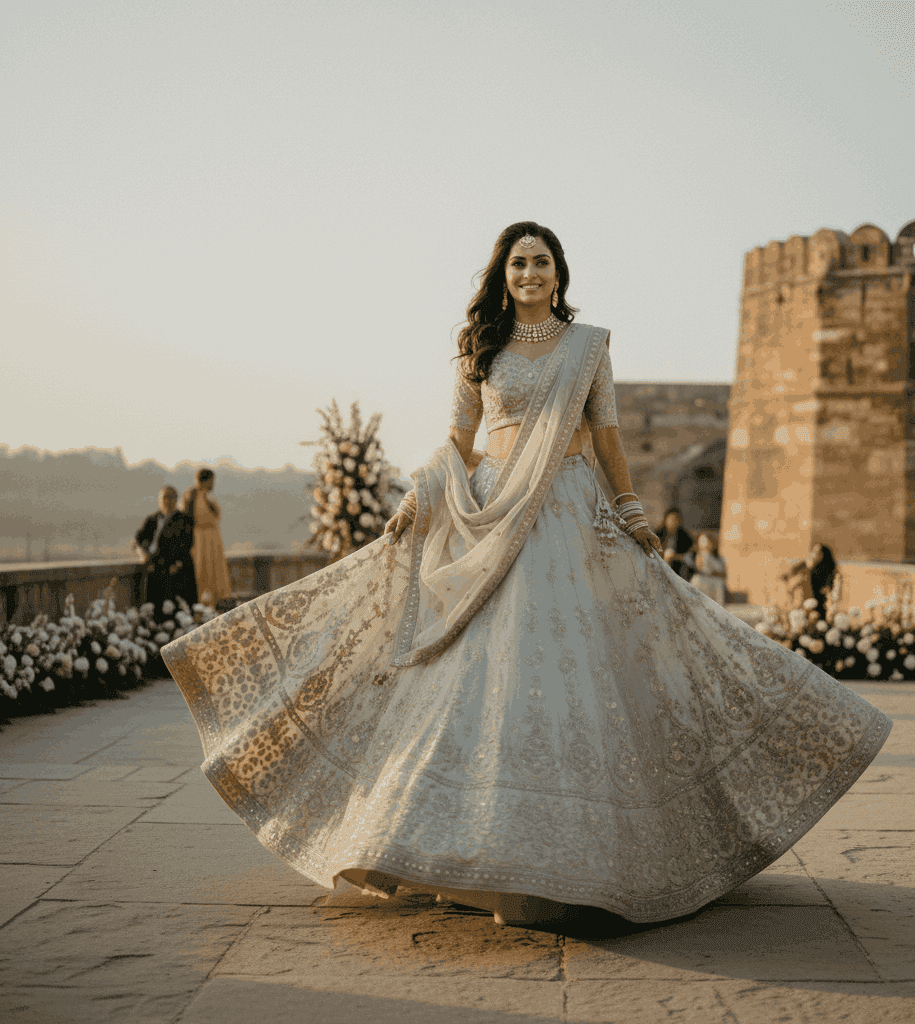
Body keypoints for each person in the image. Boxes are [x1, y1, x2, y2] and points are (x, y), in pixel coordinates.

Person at [161, 221, 891, 930]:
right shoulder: (478, 348)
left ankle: (583, 860)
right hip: (490, 517)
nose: (530, 272)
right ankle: (463, 850)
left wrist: (631, 511)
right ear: (502, 275)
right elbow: (459, 441)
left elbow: (606, 439)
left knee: (586, 667)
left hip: (569, 511)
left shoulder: (588, 347)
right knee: (477, 675)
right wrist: (417, 499)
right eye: (518, 262)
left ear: (558, 274)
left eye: (542, 261)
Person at [134, 486, 197, 619]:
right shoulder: (152, 519)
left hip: (174, 568)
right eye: (164, 497)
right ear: (159, 499)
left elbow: (187, 545)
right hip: (153, 566)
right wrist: (142, 553)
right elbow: (138, 539)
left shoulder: (184, 519)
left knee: (174, 610)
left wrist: (176, 564)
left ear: (176, 499)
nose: (167, 501)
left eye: (171, 497)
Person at [181, 468, 232, 607]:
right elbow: (186, 519)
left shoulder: (208, 496)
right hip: (198, 540)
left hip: (213, 540)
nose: (213, 484)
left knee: (216, 572)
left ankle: (217, 602)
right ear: (206, 480)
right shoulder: (190, 495)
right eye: (211, 481)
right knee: (201, 571)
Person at [654, 507, 694, 579]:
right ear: (665, 520)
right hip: (659, 565)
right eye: (670, 519)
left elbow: (688, 556)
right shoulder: (658, 534)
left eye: (675, 520)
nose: (673, 522)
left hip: (677, 568)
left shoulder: (684, 536)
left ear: (679, 521)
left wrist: (675, 557)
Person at [689, 531, 728, 605]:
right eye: (702, 541)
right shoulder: (698, 556)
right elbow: (700, 568)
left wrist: (714, 573)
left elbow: (724, 574)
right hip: (703, 583)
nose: (705, 544)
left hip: (716, 585)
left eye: (707, 541)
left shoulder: (719, 558)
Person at [808, 542, 837, 620]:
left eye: (816, 552)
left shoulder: (825, 571)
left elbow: (827, 589)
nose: (813, 554)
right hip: (810, 604)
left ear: (822, 555)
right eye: (813, 551)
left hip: (820, 605)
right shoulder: (810, 569)